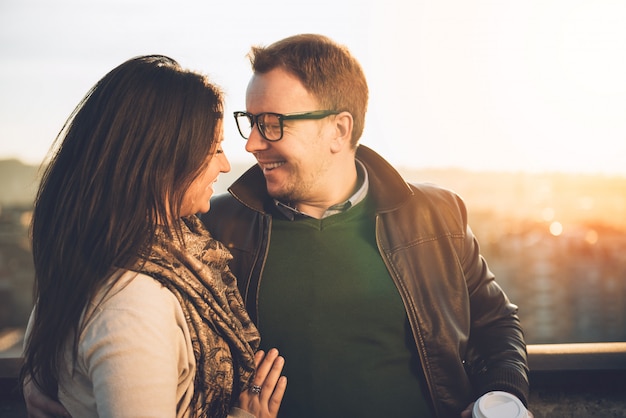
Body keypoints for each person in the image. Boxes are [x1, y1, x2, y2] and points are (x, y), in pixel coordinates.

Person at [203, 34, 532, 418]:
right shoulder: (214, 228)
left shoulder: (437, 216)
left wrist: (504, 401)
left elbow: (495, 323)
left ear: (339, 130)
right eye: (251, 122)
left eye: (273, 124)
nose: (253, 143)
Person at [20, 55, 286, 418]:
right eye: (215, 148)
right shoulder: (134, 302)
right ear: (162, 160)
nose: (224, 165)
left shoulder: (91, 259)